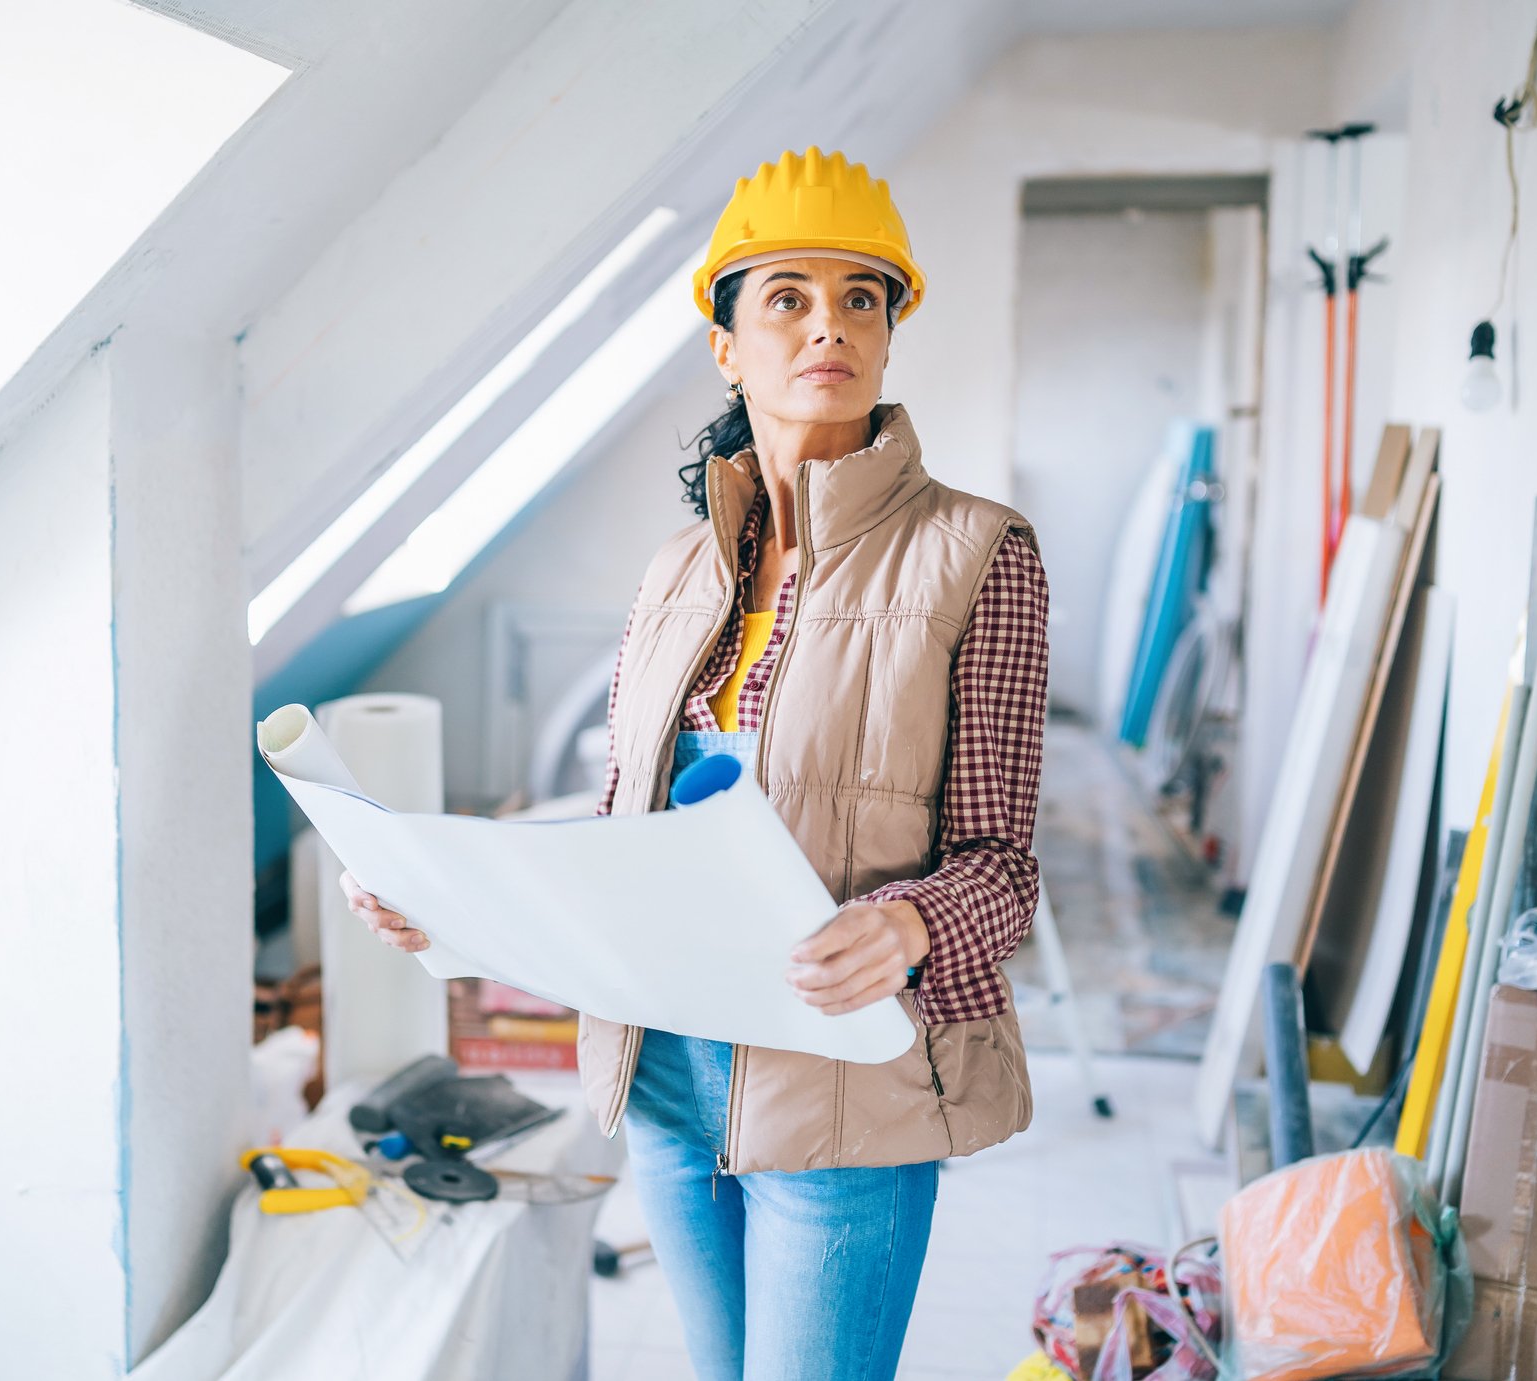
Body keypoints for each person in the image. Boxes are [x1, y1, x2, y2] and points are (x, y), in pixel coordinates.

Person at [343, 146, 1050, 1381]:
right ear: (727, 340)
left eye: (860, 298)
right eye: (786, 296)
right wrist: (450, 900)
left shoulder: (975, 552)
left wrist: (907, 925)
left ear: (889, 333)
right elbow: (631, 843)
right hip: (664, 1070)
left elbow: (1001, 867)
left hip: (841, 1097)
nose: (827, 324)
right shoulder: (679, 571)